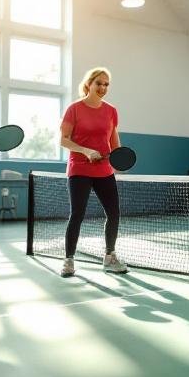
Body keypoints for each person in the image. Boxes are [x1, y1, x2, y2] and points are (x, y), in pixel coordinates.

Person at [59, 67, 128, 277]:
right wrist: (85, 150)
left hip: (104, 170)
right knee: (77, 214)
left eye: (106, 84)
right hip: (79, 169)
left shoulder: (111, 111)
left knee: (114, 213)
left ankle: (109, 256)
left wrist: (117, 160)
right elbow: (63, 140)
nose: (103, 88)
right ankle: (68, 260)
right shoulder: (74, 109)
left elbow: (114, 141)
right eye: (99, 83)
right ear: (89, 84)